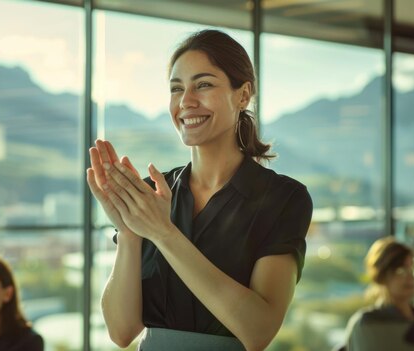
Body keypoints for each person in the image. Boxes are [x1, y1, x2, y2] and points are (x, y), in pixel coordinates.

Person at [86, 29, 313, 351]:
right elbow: (122, 332)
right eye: (176, 89)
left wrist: (164, 233)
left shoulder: (283, 199)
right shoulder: (152, 196)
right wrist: (129, 232)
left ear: (243, 94)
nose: (186, 101)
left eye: (203, 85)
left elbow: (259, 331)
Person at [343, 237, 414, 351]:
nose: (410, 277)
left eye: (411, 269)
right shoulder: (367, 323)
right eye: (401, 270)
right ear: (382, 276)